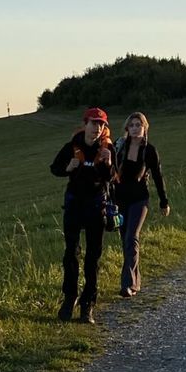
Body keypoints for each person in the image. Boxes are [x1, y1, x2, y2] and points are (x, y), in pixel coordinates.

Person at [49, 107, 116, 324]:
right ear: (85, 124)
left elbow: (112, 177)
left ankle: (88, 305)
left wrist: (107, 164)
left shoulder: (107, 149)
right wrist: (68, 167)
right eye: (94, 123)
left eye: (101, 124)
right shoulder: (72, 146)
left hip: (97, 206)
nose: (97, 128)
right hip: (74, 205)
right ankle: (70, 298)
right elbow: (55, 168)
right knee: (71, 253)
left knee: (92, 258)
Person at [114, 112, 169, 298]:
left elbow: (158, 176)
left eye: (139, 125)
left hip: (140, 199)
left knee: (131, 237)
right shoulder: (119, 147)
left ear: (145, 128)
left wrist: (164, 201)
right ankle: (135, 281)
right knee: (125, 241)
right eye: (132, 125)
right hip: (119, 199)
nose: (136, 128)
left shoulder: (150, 150)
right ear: (127, 129)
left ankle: (127, 284)